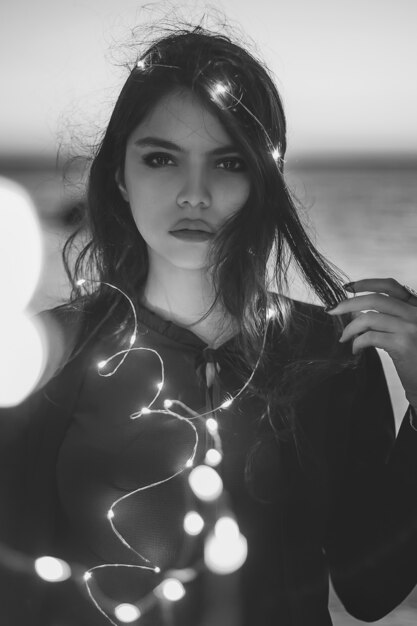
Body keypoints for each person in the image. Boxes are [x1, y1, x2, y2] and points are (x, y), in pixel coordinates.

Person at [1, 23, 417, 626]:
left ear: (264, 180)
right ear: (120, 175)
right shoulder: (51, 353)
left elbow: (372, 590)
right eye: (161, 158)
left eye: (227, 162)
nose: (193, 193)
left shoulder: (328, 352)